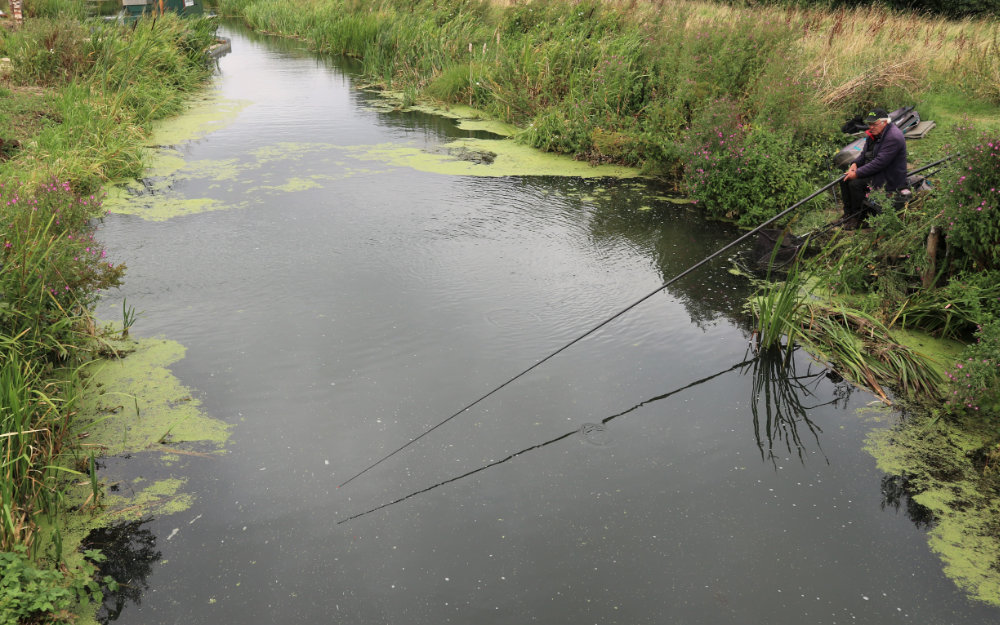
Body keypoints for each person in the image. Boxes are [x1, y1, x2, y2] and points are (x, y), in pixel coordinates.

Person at [840, 107, 909, 228]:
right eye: (869, 124)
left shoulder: (893, 137)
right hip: (879, 171)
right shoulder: (875, 134)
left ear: (884, 122)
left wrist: (857, 173)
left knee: (855, 184)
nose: (871, 127)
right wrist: (854, 164)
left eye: (874, 124)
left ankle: (861, 218)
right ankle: (848, 214)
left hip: (890, 175)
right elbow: (864, 154)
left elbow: (879, 163)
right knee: (844, 179)